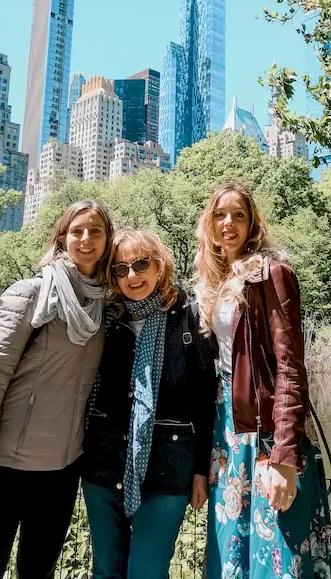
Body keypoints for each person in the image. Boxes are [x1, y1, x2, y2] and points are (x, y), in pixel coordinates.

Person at [0, 199, 115, 579]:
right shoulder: (31, 295)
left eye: (96, 231)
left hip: (61, 472)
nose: (86, 239)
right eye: (77, 231)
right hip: (3, 468)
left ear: (108, 240)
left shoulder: (106, 306)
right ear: (62, 237)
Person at [195, 182, 331, 579]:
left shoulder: (272, 275)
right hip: (227, 433)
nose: (228, 222)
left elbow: (290, 368)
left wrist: (285, 458)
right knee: (231, 552)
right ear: (209, 225)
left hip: (266, 431)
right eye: (220, 215)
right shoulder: (214, 283)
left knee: (277, 553)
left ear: (252, 224)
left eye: (238, 215)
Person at [82, 228, 216, 579]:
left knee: (147, 573)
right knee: (105, 572)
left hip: (168, 469)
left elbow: (204, 401)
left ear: (159, 266)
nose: (132, 275)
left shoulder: (188, 317)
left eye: (141, 264)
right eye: (120, 269)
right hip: (104, 466)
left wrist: (201, 470)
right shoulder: (105, 319)